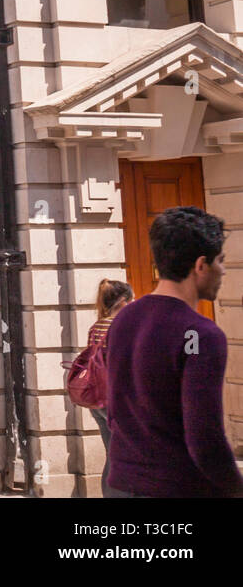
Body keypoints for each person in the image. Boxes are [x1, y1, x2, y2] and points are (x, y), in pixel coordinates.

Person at [106, 207, 243, 498]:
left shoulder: (122, 320)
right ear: (201, 265)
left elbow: (115, 411)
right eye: (220, 261)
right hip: (177, 487)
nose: (224, 270)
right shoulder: (202, 334)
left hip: (121, 483)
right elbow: (204, 439)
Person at [84, 278, 132, 498]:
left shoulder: (96, 327)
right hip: (118, 398)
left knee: (112, 453)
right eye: (131, 300)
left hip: (97, 398)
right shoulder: (122, 326)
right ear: (122, 301)